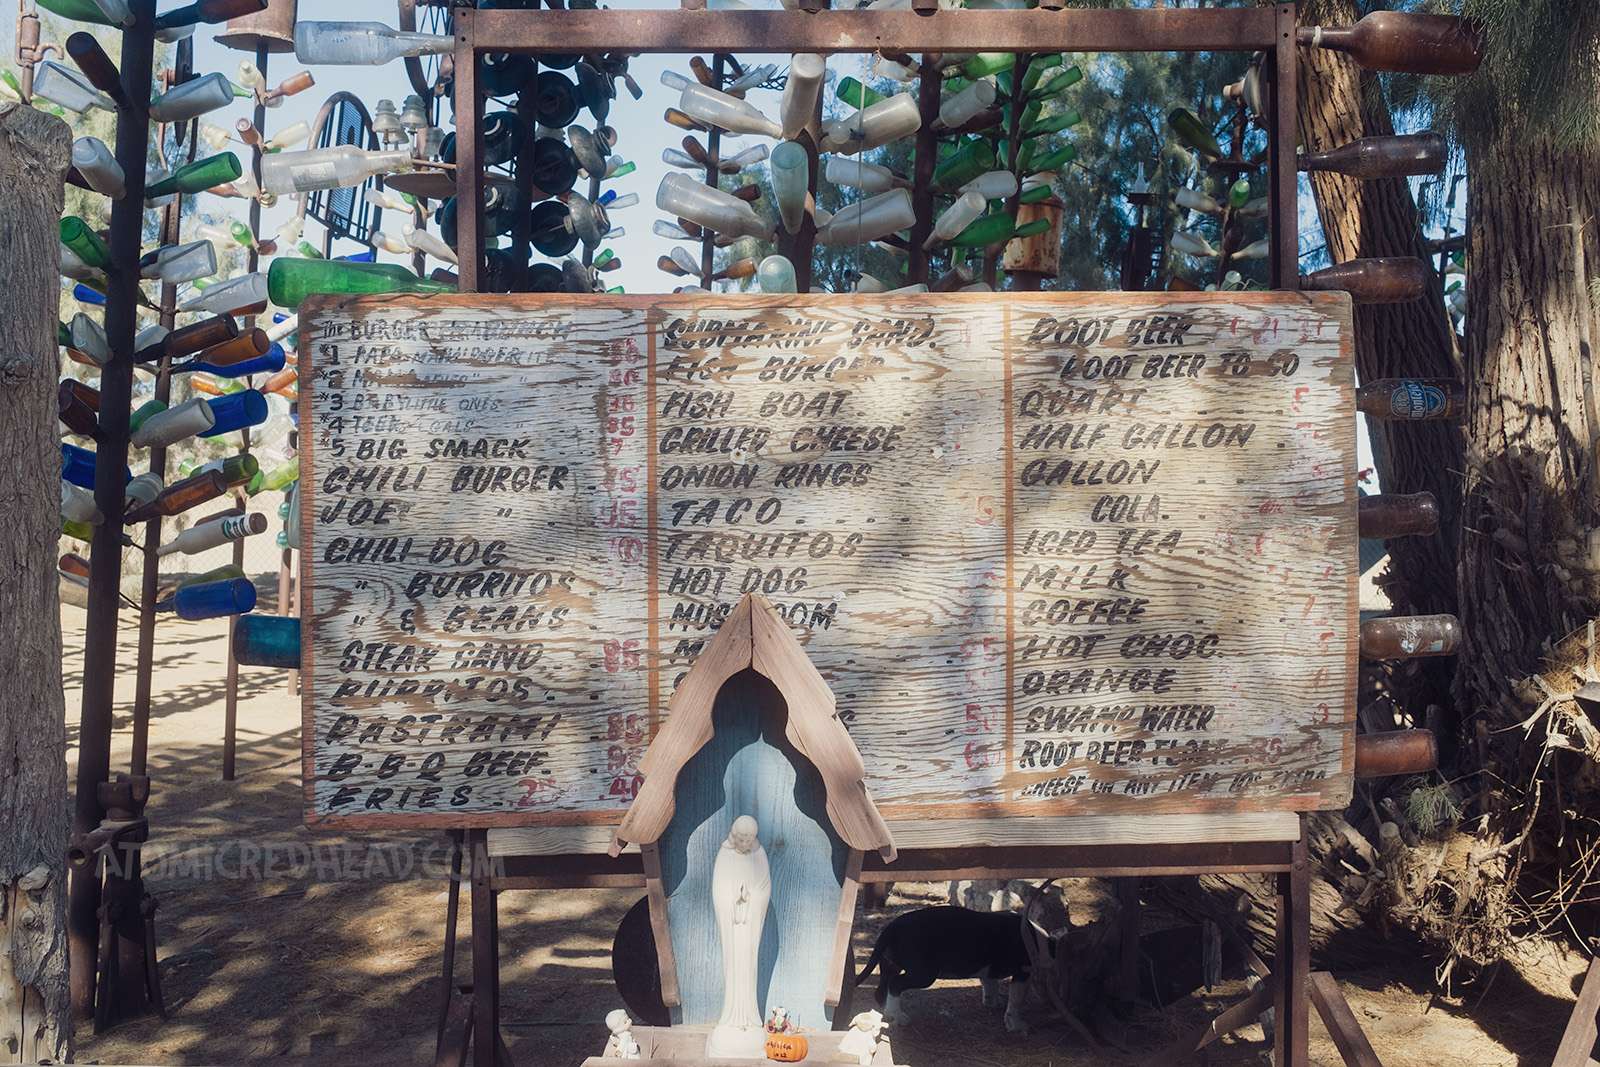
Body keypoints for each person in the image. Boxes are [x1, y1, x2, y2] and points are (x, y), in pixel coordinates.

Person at [710, 814, 771, 1030]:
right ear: (734, 836)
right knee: (732, 964)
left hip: (749, 923)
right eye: (741, 840)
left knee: (748, 965)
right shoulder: (725, 854)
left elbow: (764, 889)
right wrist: (734, 895)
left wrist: (749, 896)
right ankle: (729, 1017)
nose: (745, 844)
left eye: (749, 840)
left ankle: (750, 1018)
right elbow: (719, 890)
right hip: (732, 923)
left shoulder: (759, 853)